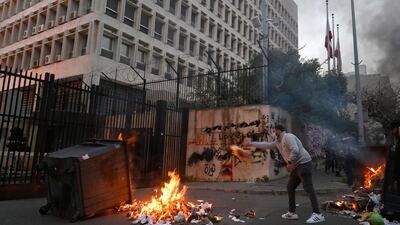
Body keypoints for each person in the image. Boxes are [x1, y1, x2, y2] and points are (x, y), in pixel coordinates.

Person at [250, 124, 325, 223]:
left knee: (308, 188)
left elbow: (295, 150)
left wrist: (289, 162)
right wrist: (252, 144)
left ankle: (318, 214)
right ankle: (292, 212)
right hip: (295, 167)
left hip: (304, 164)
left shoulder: (288, 137)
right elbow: (267, 145)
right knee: (290, 187)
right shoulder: (278, 142)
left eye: (274, 130)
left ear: (279, 130)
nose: (273, 132)